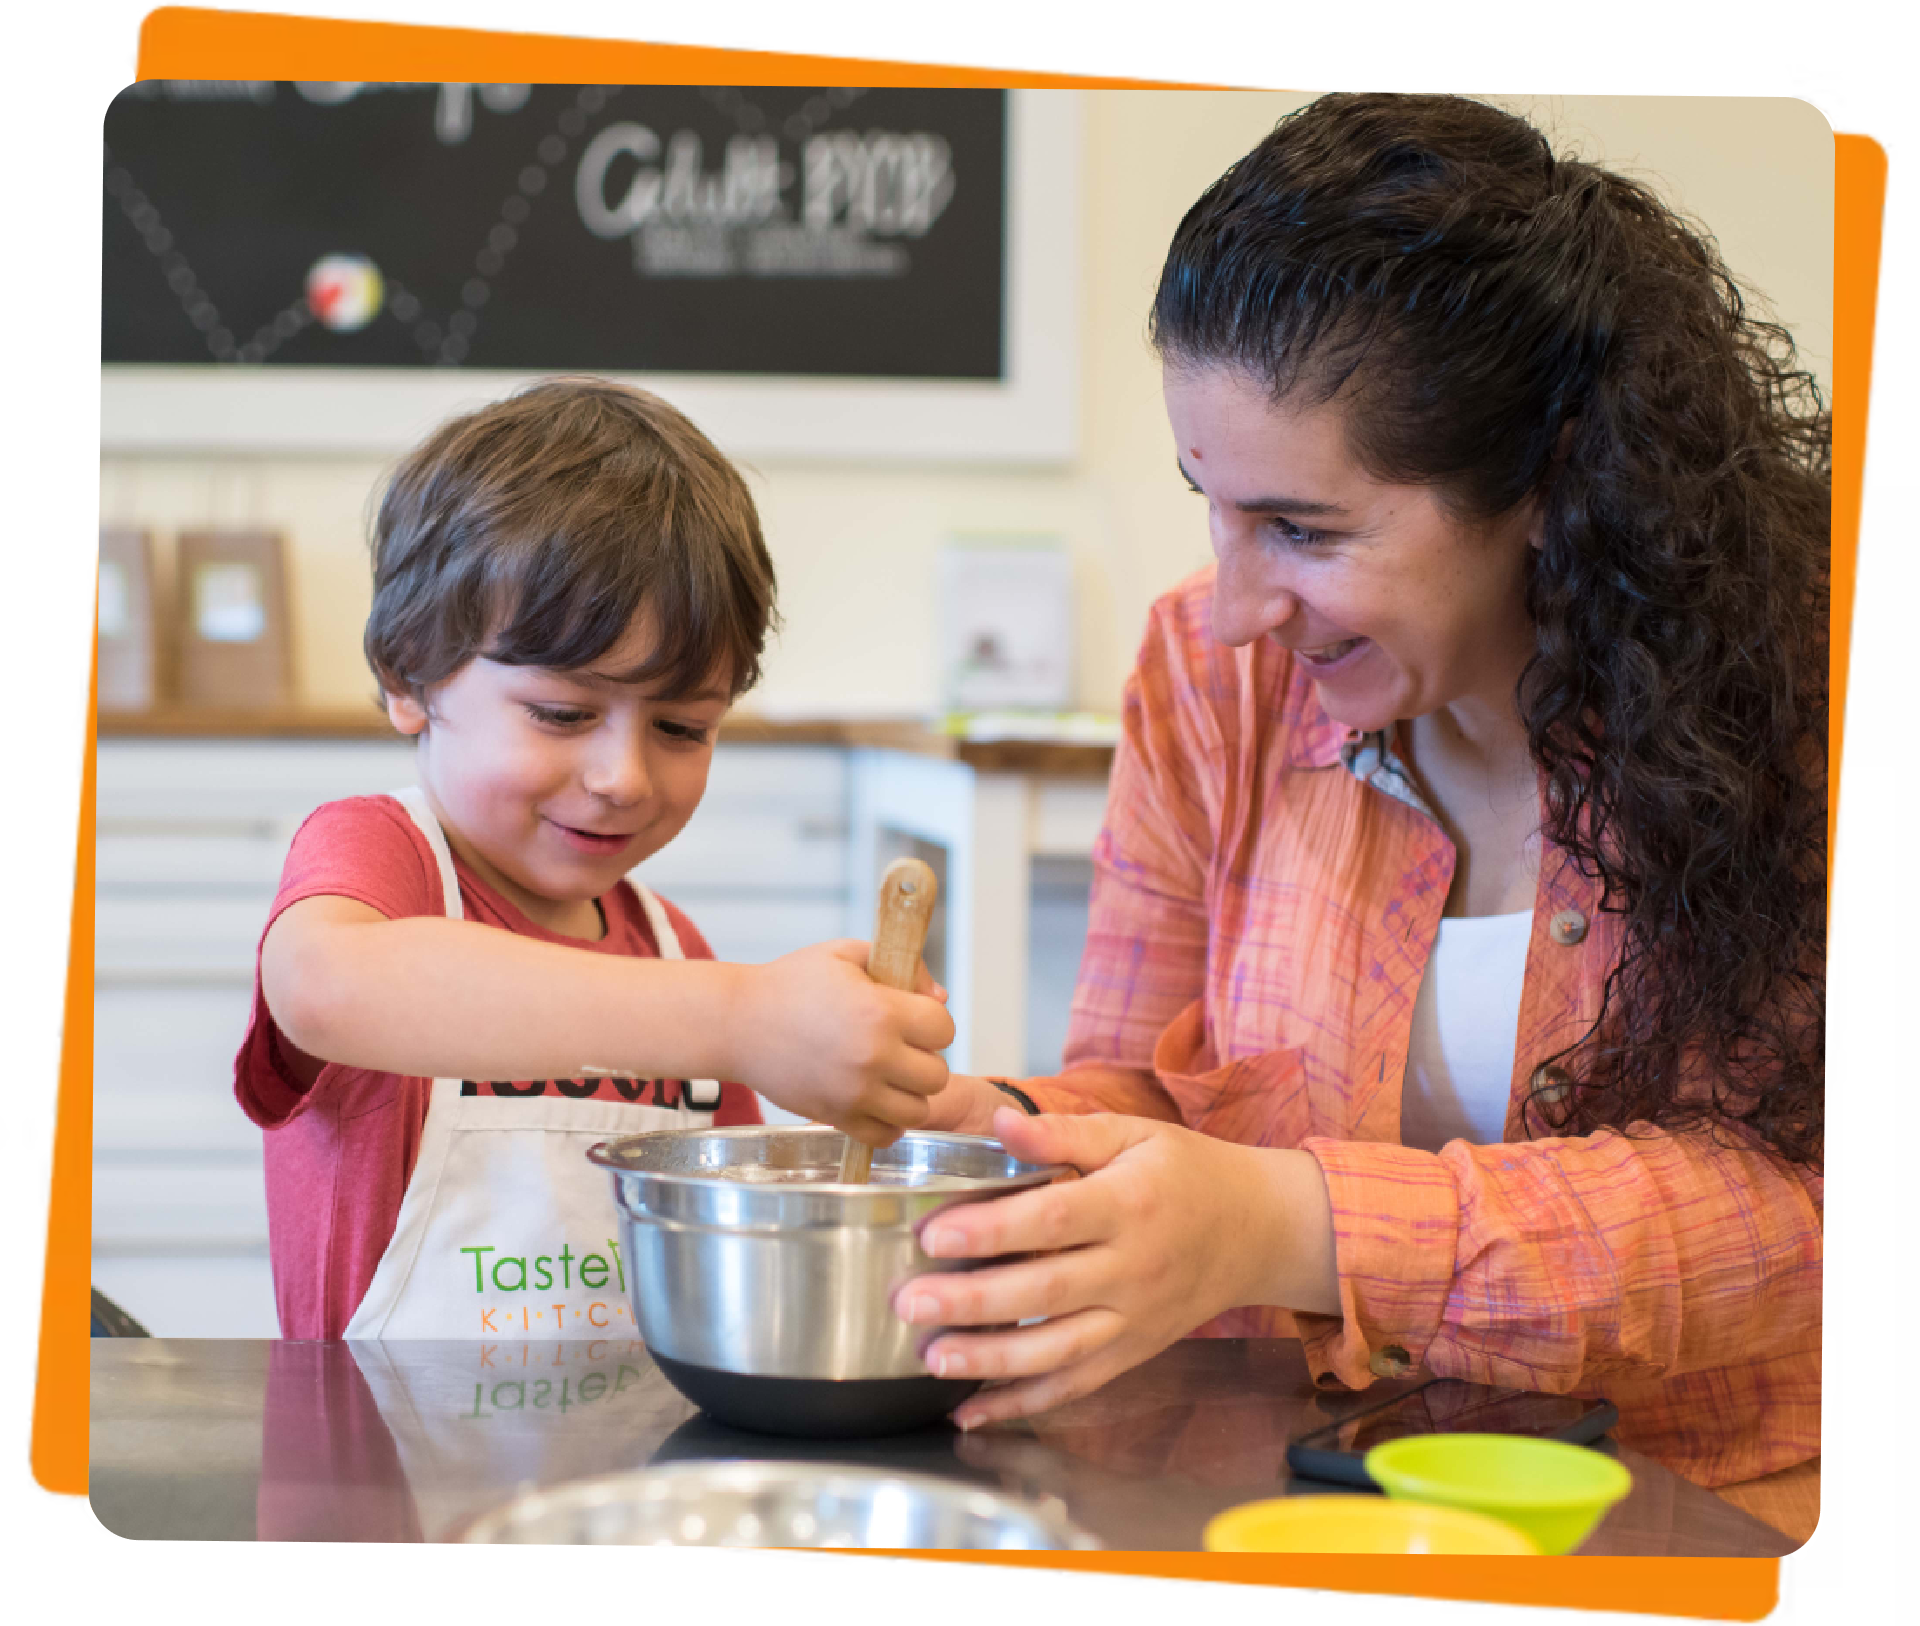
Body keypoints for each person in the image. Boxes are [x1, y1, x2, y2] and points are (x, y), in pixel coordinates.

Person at [907, 91, 1826, 1510]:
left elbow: (1787, 1212)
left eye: (1305, 529)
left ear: (1551, 481)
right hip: (1284, 1485)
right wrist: (1003, 1130)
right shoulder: (1208, 685)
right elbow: (1149, 1079)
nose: (1232, 608)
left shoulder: (1791, 689)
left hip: (1699, 1503)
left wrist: (1295, 1221)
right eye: (1216, 505)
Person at [235, 377, 955, 1341]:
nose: (623, 776)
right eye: (565, 714)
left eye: (682, 727)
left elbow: (732, 1252)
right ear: (410, 674)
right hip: (382, 1479)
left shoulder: (675, 951)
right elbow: (324, 984)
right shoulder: (383, 860)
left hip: (623, 1476)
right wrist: (741, 1016)